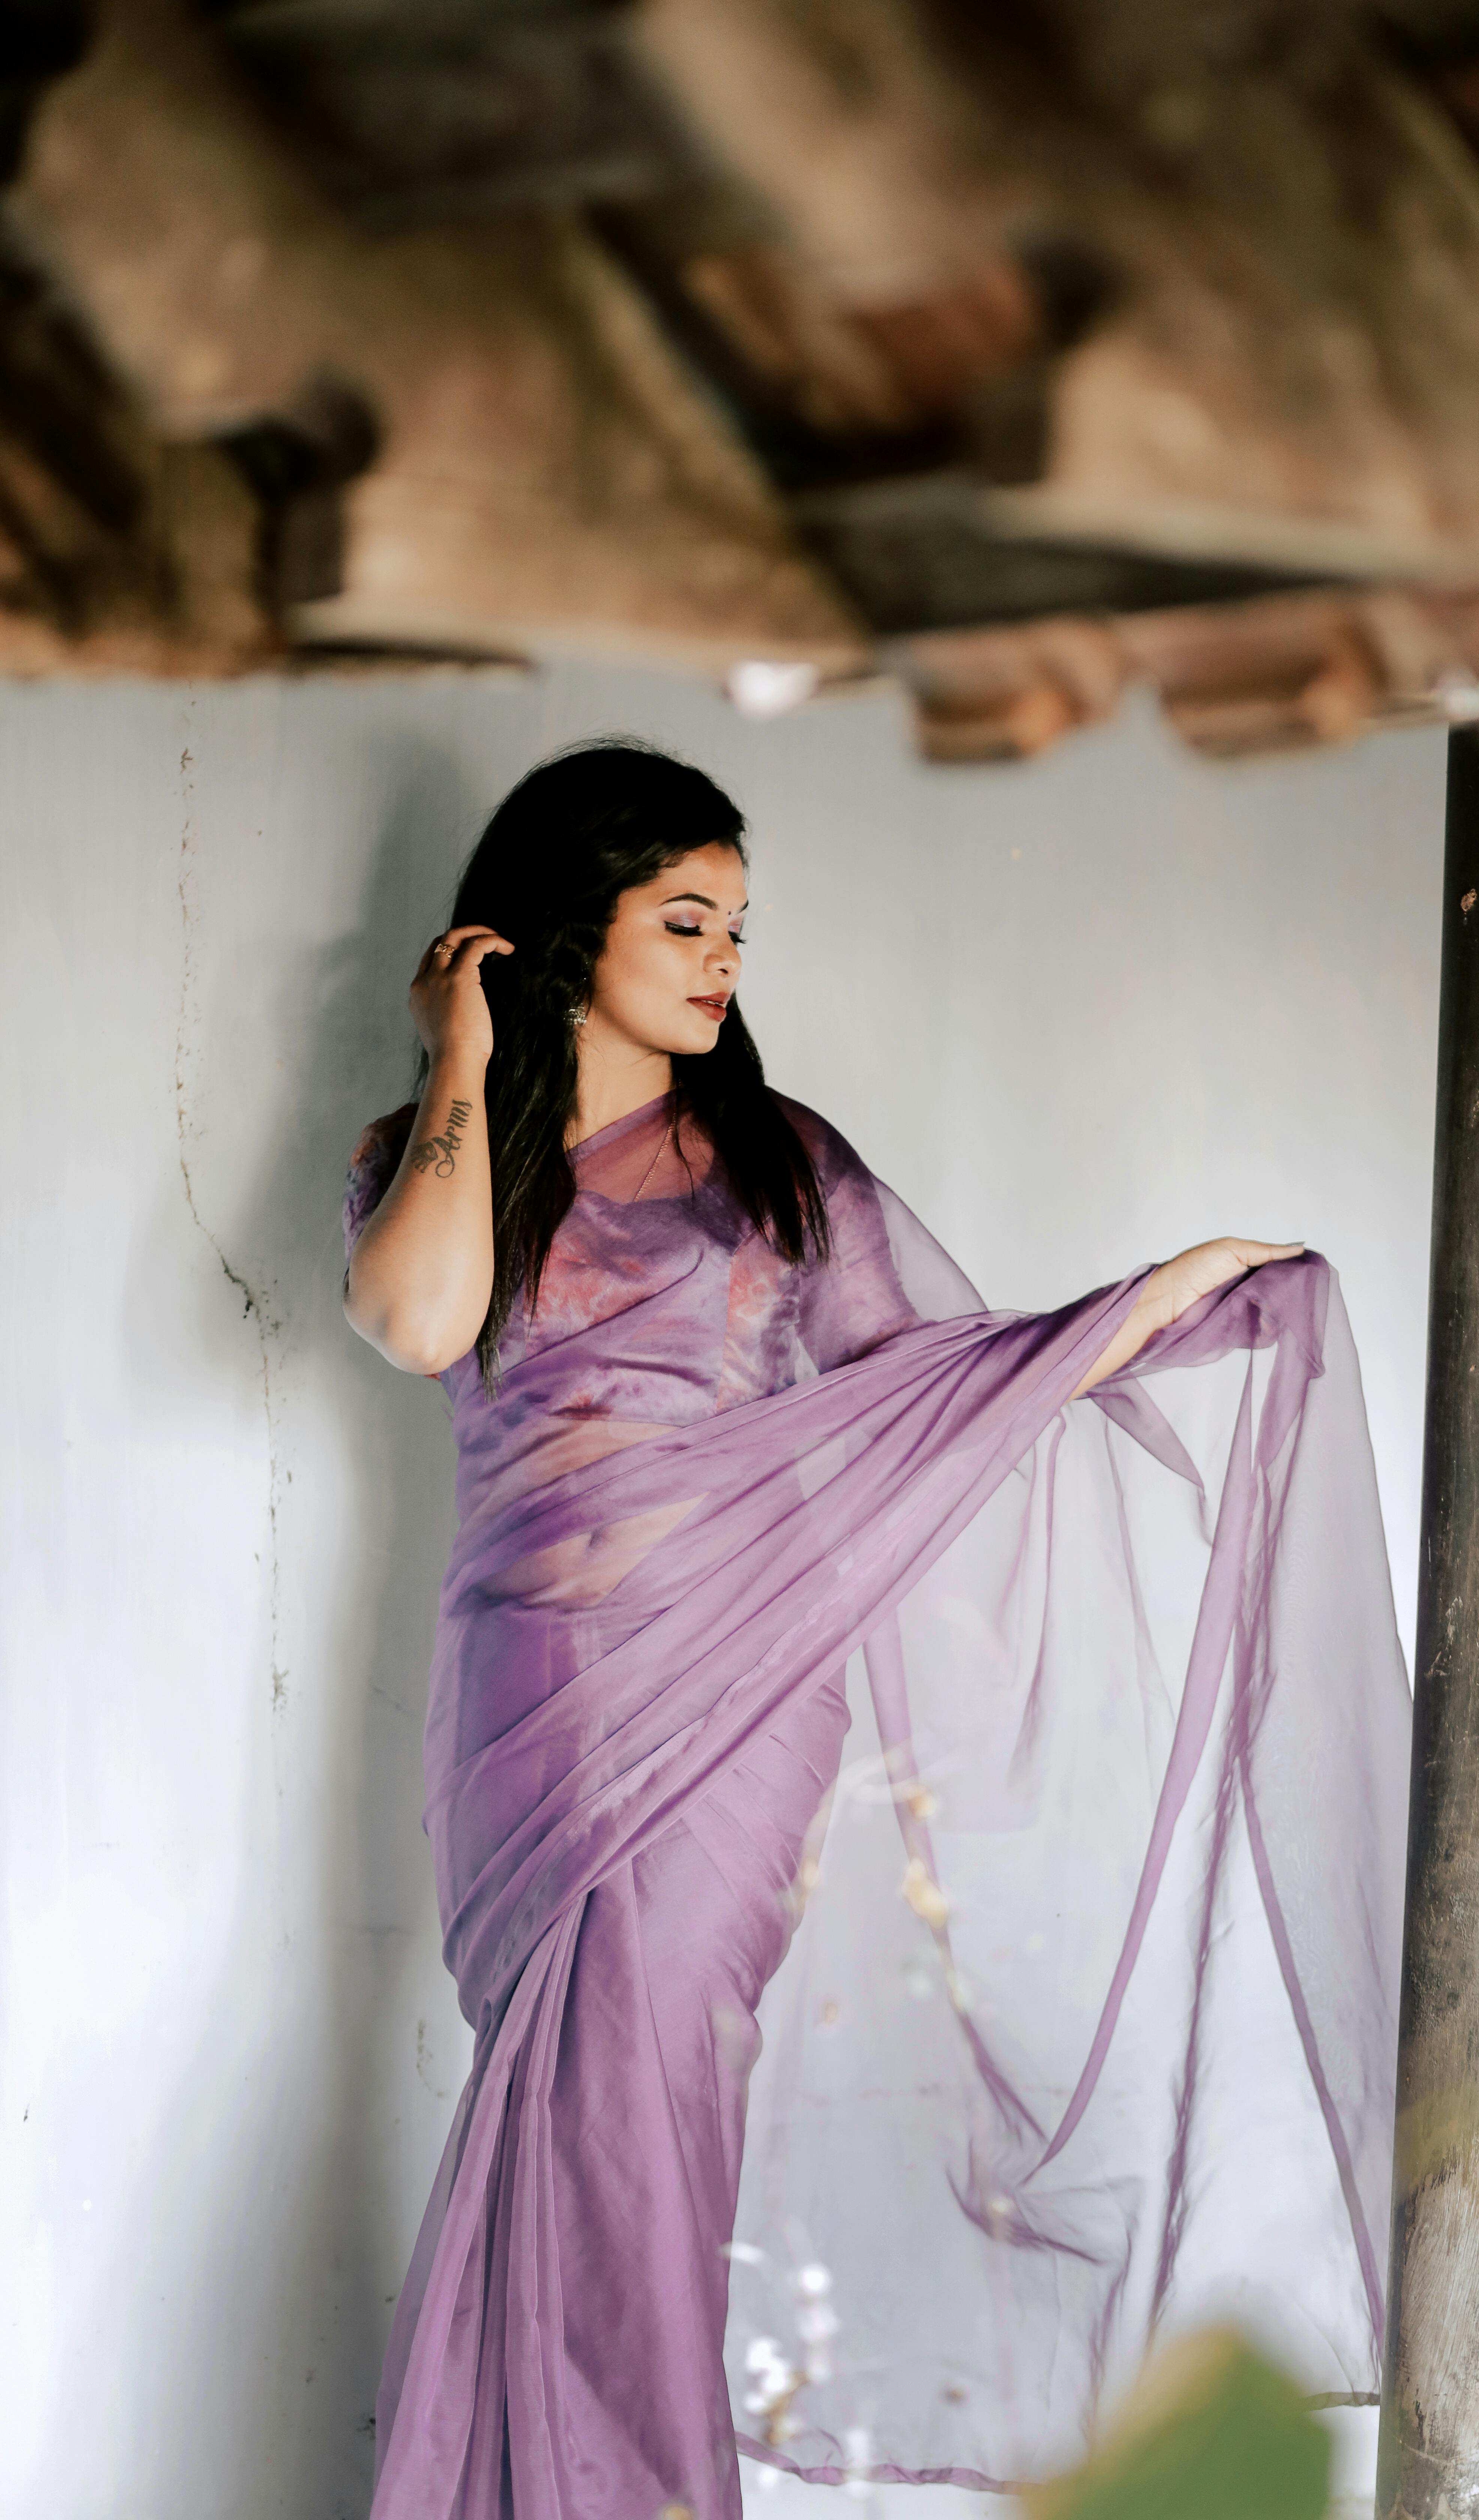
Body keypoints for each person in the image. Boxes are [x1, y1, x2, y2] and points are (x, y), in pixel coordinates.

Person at [342, 741, 1409, 2519]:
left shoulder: (770, 1168)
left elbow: (926, 1394)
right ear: (555, 928)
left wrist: (1130, 1318)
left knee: (641, 2138)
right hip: (523, 1704)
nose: (720, 961)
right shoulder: (441, 1159)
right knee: (572, 2144)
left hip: (735, 1706)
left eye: (737, 929)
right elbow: (418, 1314)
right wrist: (465, 1050)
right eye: (684, 919)